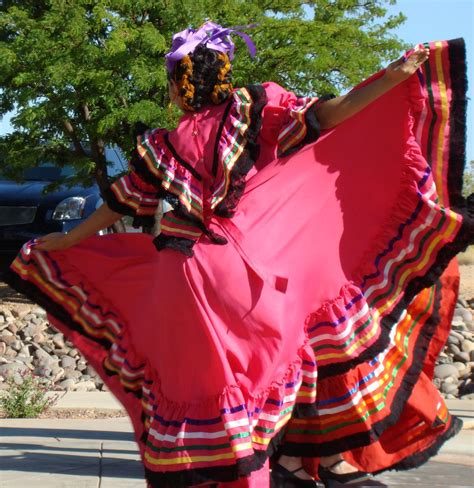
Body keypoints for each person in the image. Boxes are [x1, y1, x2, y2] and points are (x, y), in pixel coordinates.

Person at [6, 22, 471, 488]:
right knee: (312, 347)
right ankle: (319, 461)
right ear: (223, 74)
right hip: (249, 261)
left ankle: (269, 460)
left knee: (225, 381)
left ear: (178, 86)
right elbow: (326, 117)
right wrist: (390, 79)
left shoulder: (164, 145)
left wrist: (66, 241)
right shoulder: (255, 108)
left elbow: (120, 203)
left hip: (184, 276)